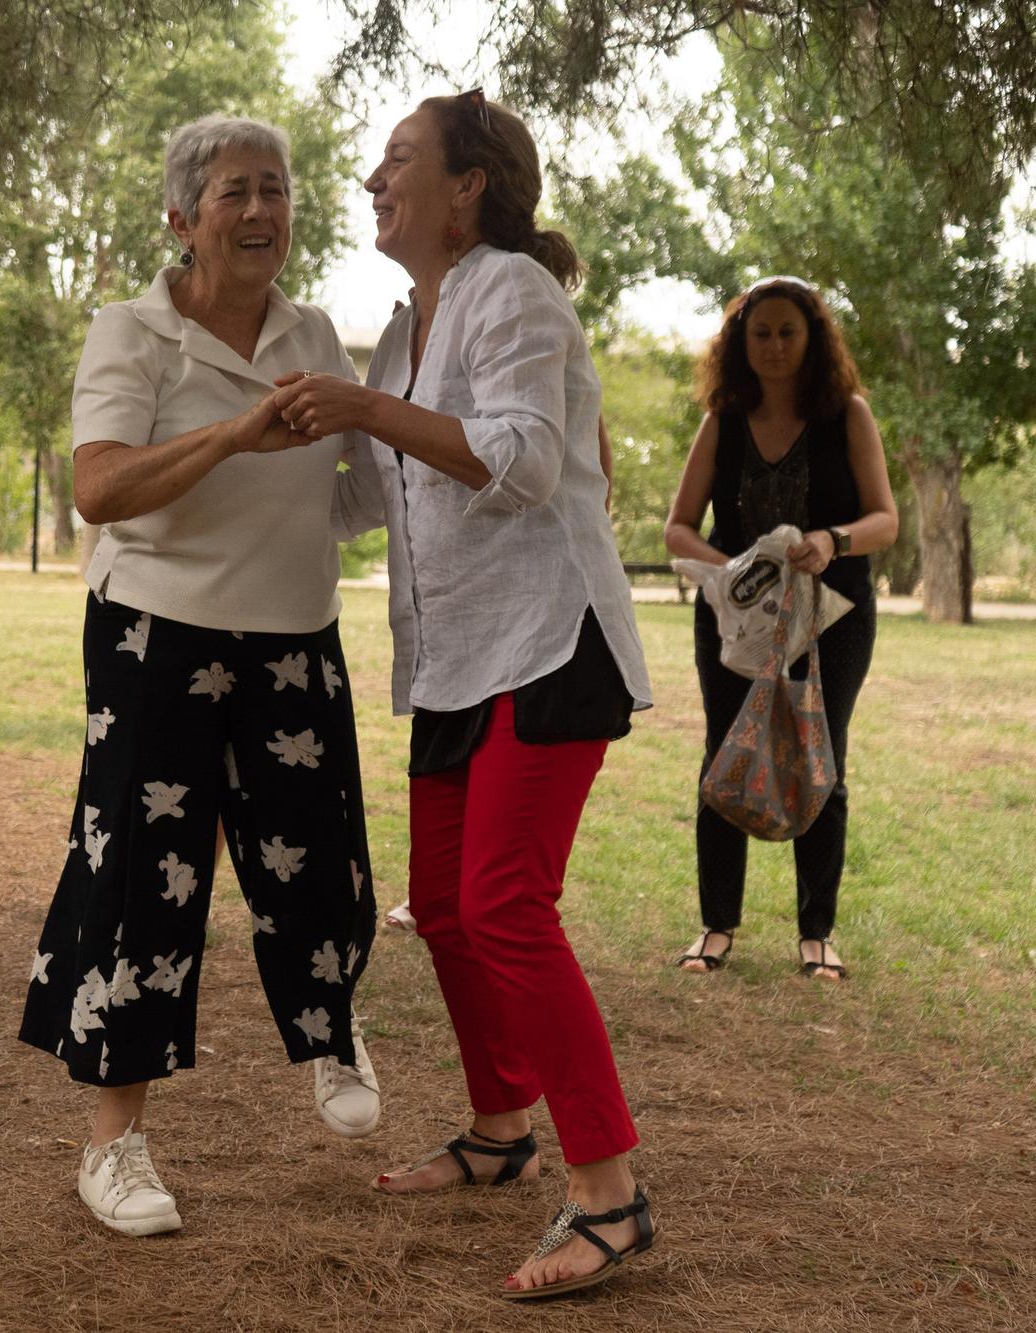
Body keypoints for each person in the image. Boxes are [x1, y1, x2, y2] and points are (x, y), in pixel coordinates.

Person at [275, 90, 654, 1297]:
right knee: (440, 908)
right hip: (449, 657)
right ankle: (499, 1129)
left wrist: (367, 408)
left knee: (502, 904)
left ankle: (609, 1195)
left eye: (397, 161)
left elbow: (528, 457)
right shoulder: (398, 330)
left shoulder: (511, 291)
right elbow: (367, 500)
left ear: (465, 188)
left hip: (550, 642)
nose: (373, 180)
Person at [15, 115, 382, 1239]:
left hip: (292, 632)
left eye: (274, 189)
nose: (261, 211)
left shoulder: (314, 328)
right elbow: (100, 488)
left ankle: (327, 1031)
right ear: (181, 218)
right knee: (140, 879)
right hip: (156, 636)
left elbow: (358, 492)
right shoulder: (130, 334)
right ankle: (111, 1148)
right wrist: (235, 437)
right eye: (233, 192)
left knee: (315, 850)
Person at [664, 277, 897, 981]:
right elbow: (677, 528)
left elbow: (886, 519)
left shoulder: (846, 414)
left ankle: (816, 933)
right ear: (740, 342)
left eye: (786, 332)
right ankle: (716, 927)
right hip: (735, 625)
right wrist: (732, 568)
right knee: (723, 758)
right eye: (759, 332)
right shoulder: (723, 420)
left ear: (812, 338)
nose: (772, 345)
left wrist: (831, 540)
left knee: (821, 759)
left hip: (833, 622)